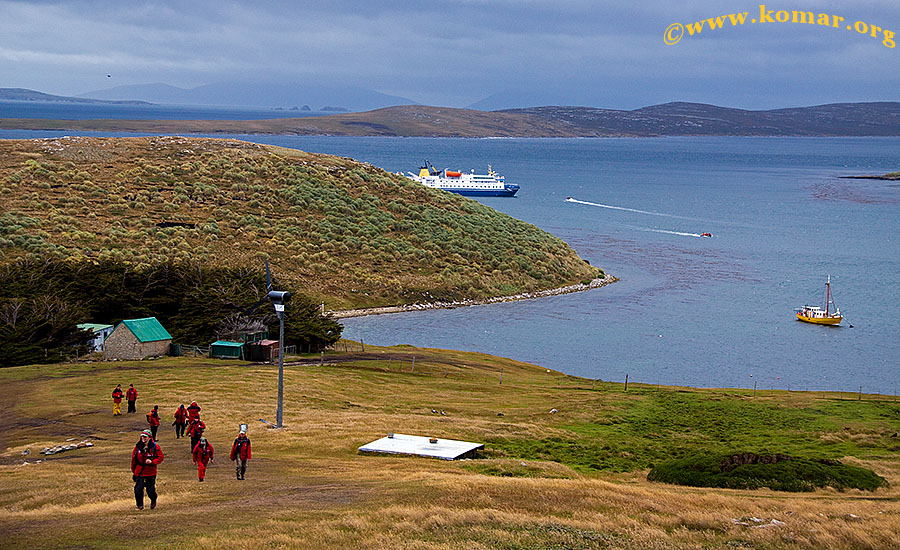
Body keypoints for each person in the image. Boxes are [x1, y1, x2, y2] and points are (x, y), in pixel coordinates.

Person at [131, 429, 164, 510]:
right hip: (140, 471)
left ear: (149, 438)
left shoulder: (155, 447)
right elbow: (133, 459)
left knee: (150, 490)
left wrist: (152, 462)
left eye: (145, 437)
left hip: (150, 472)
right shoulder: (138, 447)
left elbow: (160, 457)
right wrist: (134, 472)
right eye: (142, 436)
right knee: (138, 489)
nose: (143, 438)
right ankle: (140, 506)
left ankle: (153, 499)